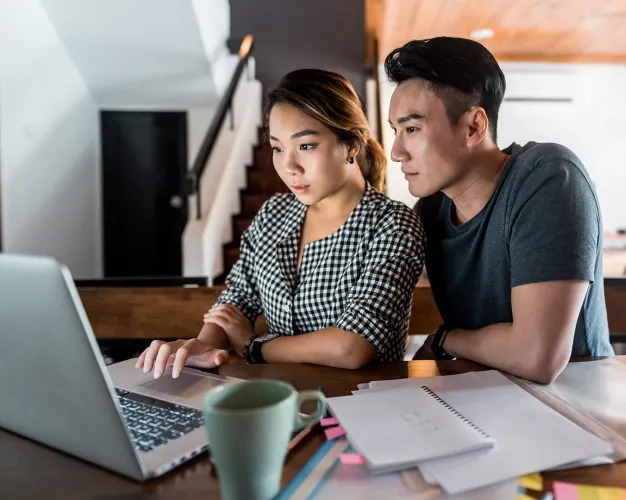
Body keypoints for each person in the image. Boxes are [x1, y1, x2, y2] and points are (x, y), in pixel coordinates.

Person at [138, 69, 425, 379]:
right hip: (277, 397)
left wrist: (253, 346)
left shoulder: (391, 224)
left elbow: (352, 347)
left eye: (306, 146)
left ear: (352, 144)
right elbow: (238, 297)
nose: (289, 167)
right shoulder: (274, 213)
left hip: (360, 400)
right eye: (277, 148)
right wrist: (202, 345)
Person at [385, 37, 614, 383]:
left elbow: (537, 357)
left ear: (474, 127)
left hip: (573, 399)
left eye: (412, 129)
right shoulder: (430, 210)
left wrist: (446, 340)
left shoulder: (547, 176)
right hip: (479, 393)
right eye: (396, 131)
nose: (396, 151)